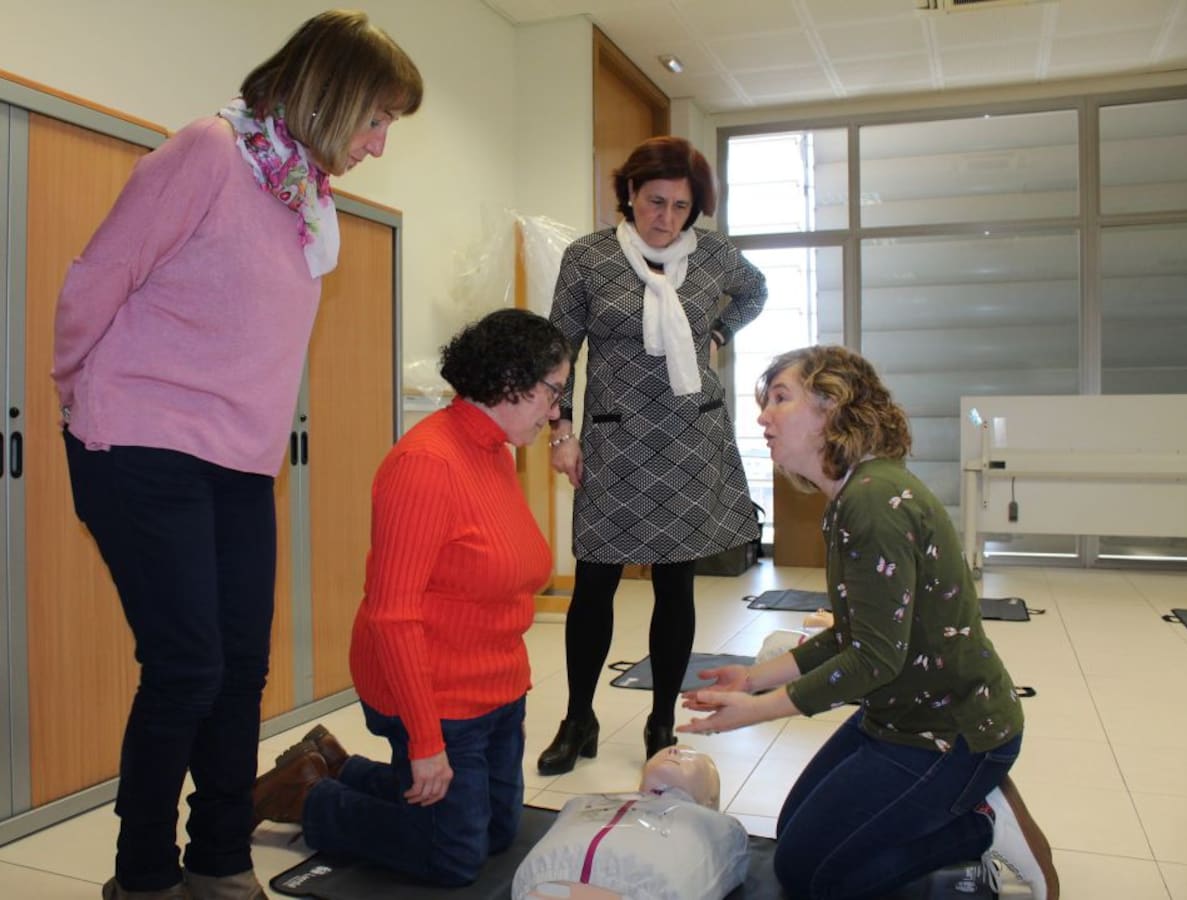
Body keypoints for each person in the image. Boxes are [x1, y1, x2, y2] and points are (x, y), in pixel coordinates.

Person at [51, 11, 422, 900]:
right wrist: (77, 393)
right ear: (330, 95)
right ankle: (141, 875)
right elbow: (95, 279)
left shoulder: (301, 194)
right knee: (186, 667)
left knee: (239, 668)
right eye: (374, 119)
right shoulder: (209, 153)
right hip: (140, 440)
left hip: (237, 460)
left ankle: (218, 857)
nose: (377, 144)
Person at [677, 345, 1059, 900]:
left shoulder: (872, 501)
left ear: (831, 406)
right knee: (794, 839)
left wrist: (755, 712)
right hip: (902, 715)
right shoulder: (856, 494)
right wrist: (754, 678)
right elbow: (853, 633)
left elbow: (873, 660)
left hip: (952, 734)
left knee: (812, 874)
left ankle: (979, 825)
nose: (763, 416)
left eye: (781, 398)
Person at [252, 309, 575, 887]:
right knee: (453, 857)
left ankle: (341, 765)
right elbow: (392, 616)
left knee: (499, 833)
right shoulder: (425, 464)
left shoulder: (495, 452)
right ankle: (309, 795)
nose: (556, 412)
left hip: (495, 688)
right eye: (554, 393)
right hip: (433, 692)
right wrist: (425, 741)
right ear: (511, 382)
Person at [538, 136, 768, 775]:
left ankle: (660, 715)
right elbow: (563, 348)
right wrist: (560, 430)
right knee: (594, 584)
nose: (664, 217)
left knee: (676, 584)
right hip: (614, 438)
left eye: (679, 206)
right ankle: (578, 716)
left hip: (690, 439)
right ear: (630, 195)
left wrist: (720, 328)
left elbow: (755, 292)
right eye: (653, 200)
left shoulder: (715, 257)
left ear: (694, 211)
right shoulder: (589, 257)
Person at [512, 745, 749, 900]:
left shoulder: (711, 829)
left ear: (709, 801)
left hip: (641, 888)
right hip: (544, 878)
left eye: (689, 757)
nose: (675, 751)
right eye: (668, 750)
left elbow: (728, 856)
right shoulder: (589, 803)